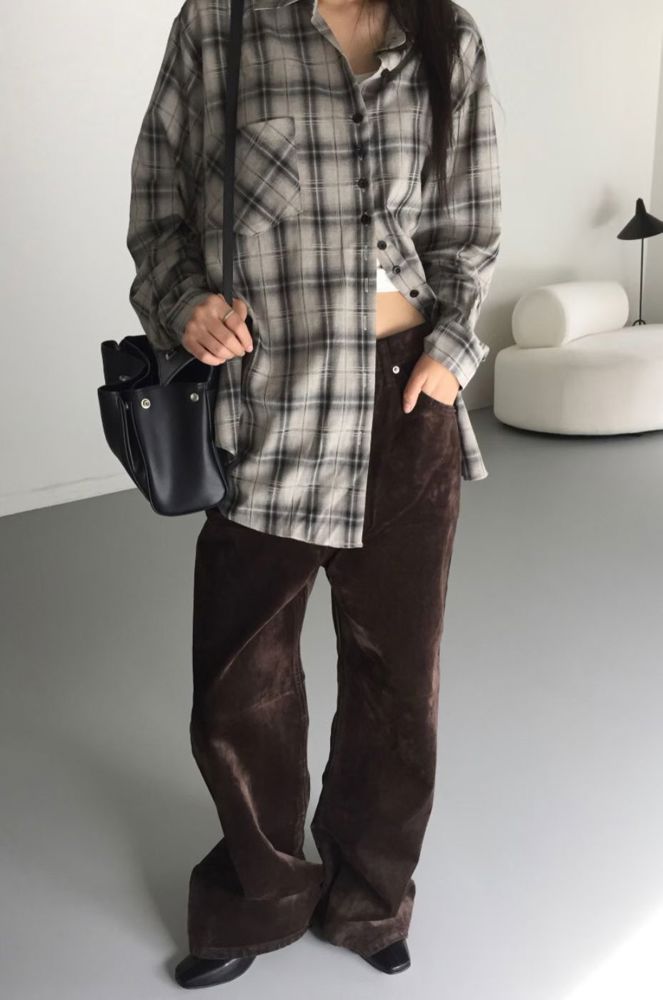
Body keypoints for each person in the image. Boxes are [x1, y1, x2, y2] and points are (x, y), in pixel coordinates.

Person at [127, 0, 501, 987]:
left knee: (398, 682)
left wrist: (452, 354)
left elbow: (469, 231)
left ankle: (371, 896)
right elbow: (159, 214)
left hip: (405, 400)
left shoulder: (448, 39)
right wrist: (186, 306)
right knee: (239, 684)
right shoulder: (220, 24)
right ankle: (256, 897)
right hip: (269, 403)